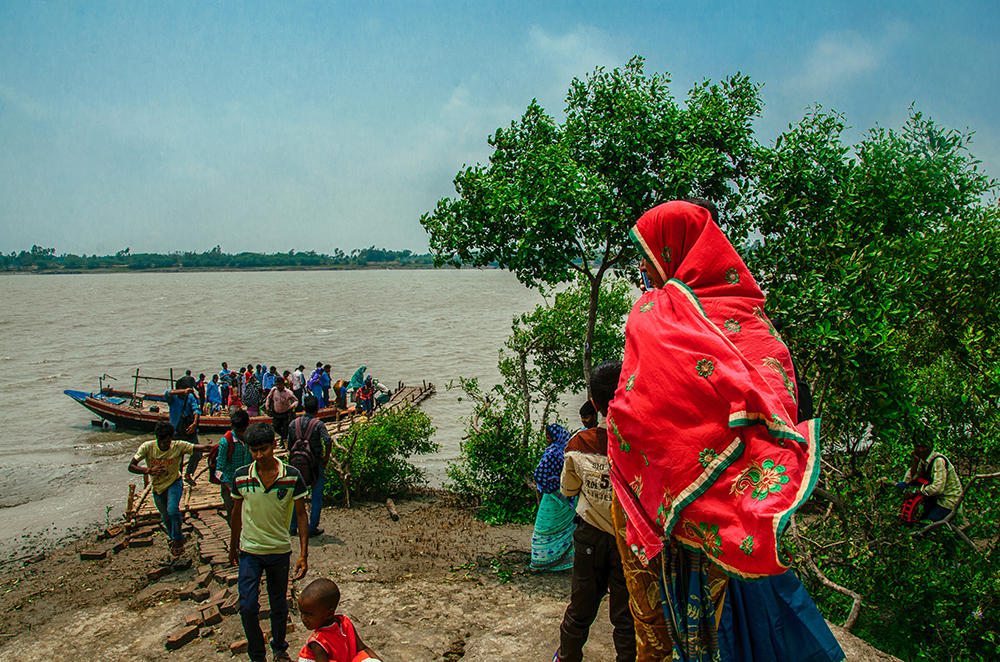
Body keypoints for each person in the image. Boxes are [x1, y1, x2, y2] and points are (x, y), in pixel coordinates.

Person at [607, 201, 844, 661]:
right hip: (735, 512)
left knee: (699, 627)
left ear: (671, 252)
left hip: (692, 510)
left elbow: (634, 409)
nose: (640, 265)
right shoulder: (749, 319)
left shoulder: (653, 316)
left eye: (645, 252)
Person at [555, 361, 635, 662]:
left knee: (580, 609)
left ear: (595, 404)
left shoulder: (578, 443)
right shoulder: (640, 441)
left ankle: (567, 657)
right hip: (629, 541)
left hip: (590, 536)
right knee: (626, 617)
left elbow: (569, 490)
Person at [229, 423, 310, 662]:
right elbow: (235, 513)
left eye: (263, 449)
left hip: (279, 550)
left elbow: (302, 515)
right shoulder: (241, 476)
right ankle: (257, 655)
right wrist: (233, 547)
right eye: (254, 451)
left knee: (278, 605)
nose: (259, 455)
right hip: (250, 551)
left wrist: (303, 554)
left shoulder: (292, 476)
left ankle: (279, 648)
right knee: (247, 606)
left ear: (274, 445)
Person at [128, 421, 212, 557]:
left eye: (166, 442)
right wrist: (148, 470)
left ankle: (177, 539)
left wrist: (223, 445)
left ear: (172, 438)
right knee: (165, 517)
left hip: (174, 482)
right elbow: (131, 466)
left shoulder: (178, 446)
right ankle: (175, 537)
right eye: (161, 442)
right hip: (157, 487)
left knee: (173, 510)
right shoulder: (147, 447)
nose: (163, 445)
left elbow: (202, 448)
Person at [297, 578, 381, 662]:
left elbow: (362, 649)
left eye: (309, 615)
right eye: (301, 613)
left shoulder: (344, 623)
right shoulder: (318, 642)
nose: (303, 619)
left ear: (329, 614)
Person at [529, 423, 576, 574]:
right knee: (565, 529)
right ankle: (565, 561)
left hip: (552, 497)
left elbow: (539, 474)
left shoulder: (552, 453)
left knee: (543, 528)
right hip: (566, 496)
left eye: (548, 438)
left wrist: (542, 484)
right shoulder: (569, 452)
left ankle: (539, 563)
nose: (547, 441)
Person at [289, 395, 333, 538]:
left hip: (296, 464)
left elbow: (290, 446)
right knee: (316, 497)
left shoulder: (293, 424)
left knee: (297, 495)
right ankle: (312, 527)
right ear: (317, 409)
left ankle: (293, 526)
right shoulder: (318, 424)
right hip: (315, 464)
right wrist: (326, 457)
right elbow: (327, 441)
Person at [898, 436, 964, 523]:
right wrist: (916, 462)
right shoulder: (924, 461)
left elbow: (938, 488)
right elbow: (908, 480)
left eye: (924, 447)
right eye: (918, 447)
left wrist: (915, 492)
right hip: (933, 498)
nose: (921, 450)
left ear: (931, 446)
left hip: (947, 503)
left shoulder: (938, 461)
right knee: (901, 485)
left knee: (923, 527)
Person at [216, 409, 254, 519]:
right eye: (239, 431)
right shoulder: (226, 442)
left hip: (248, 483)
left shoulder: (250, 438)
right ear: (232, 427)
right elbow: (220, 471)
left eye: (244, 430)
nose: (242, 434)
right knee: (233, 515)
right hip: (230, 484)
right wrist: (231, 490)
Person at [165, 386, 202, 487]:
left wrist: (194, 423)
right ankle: (177, 478)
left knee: (197, 453)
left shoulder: (189, 397)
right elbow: (168, 393)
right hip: (176, 431)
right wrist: (183, 390)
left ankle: (188, 474)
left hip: (188, 430)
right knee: (177, 457)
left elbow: (196, 410)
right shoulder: (173, 398)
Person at [266, 377, 299, 448]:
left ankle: (285, 444)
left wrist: (292, 406)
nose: (278, 386)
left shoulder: (288, 392)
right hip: (276, 413)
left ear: (283, 384)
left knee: (285, 429)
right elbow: (268, 398)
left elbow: (296, 400)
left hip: (285, 413)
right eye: (277, 384)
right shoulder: (274, 390)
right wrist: (267, 406)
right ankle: (283, 438)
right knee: (275, 427)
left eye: (279, 385)